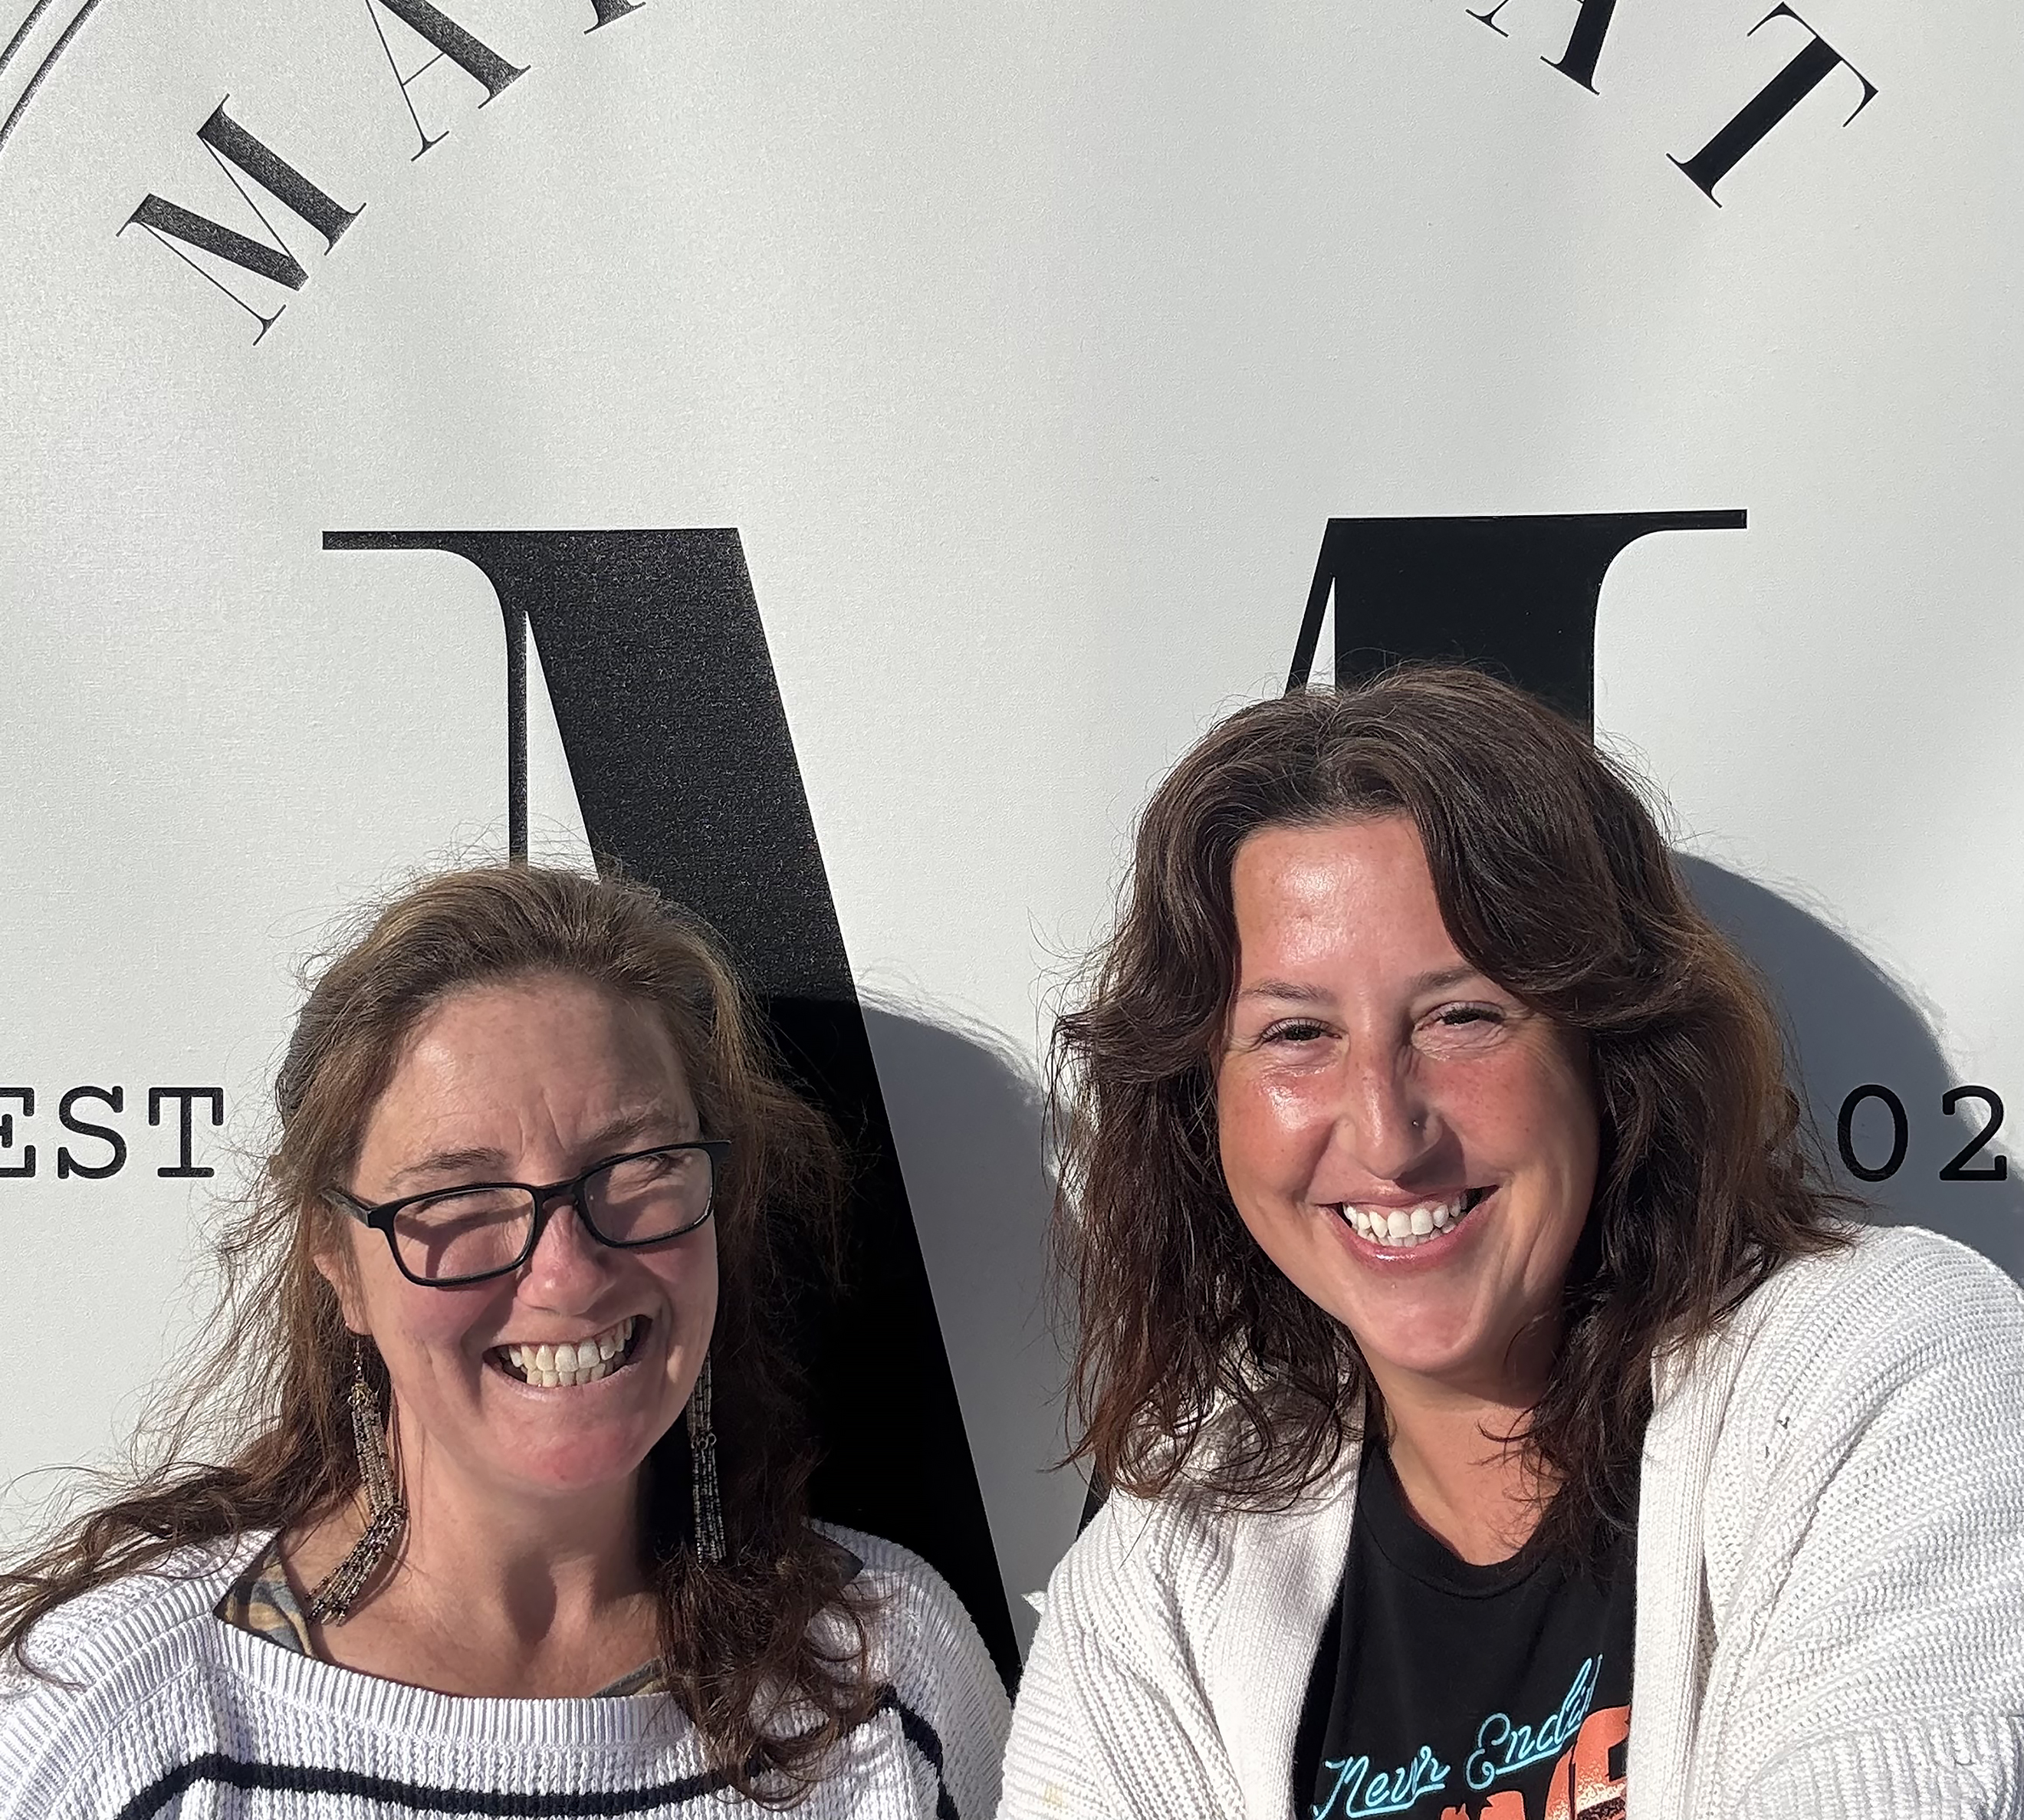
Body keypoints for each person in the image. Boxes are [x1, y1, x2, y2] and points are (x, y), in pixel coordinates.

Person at [1002, 665, 2024, 1820]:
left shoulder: (1880, 1369)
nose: (1387, 1135)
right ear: (1203, 1108)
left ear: (1608, 1048)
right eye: (1295, 1033)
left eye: (1463, 1015)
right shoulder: (1163, 1564)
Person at [0, 864, 1007, 1818]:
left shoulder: (882, 1678)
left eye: (638, 1164)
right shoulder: (111, 1722)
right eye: (457, 1194)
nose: (567, 1272)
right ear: (338, 1262)